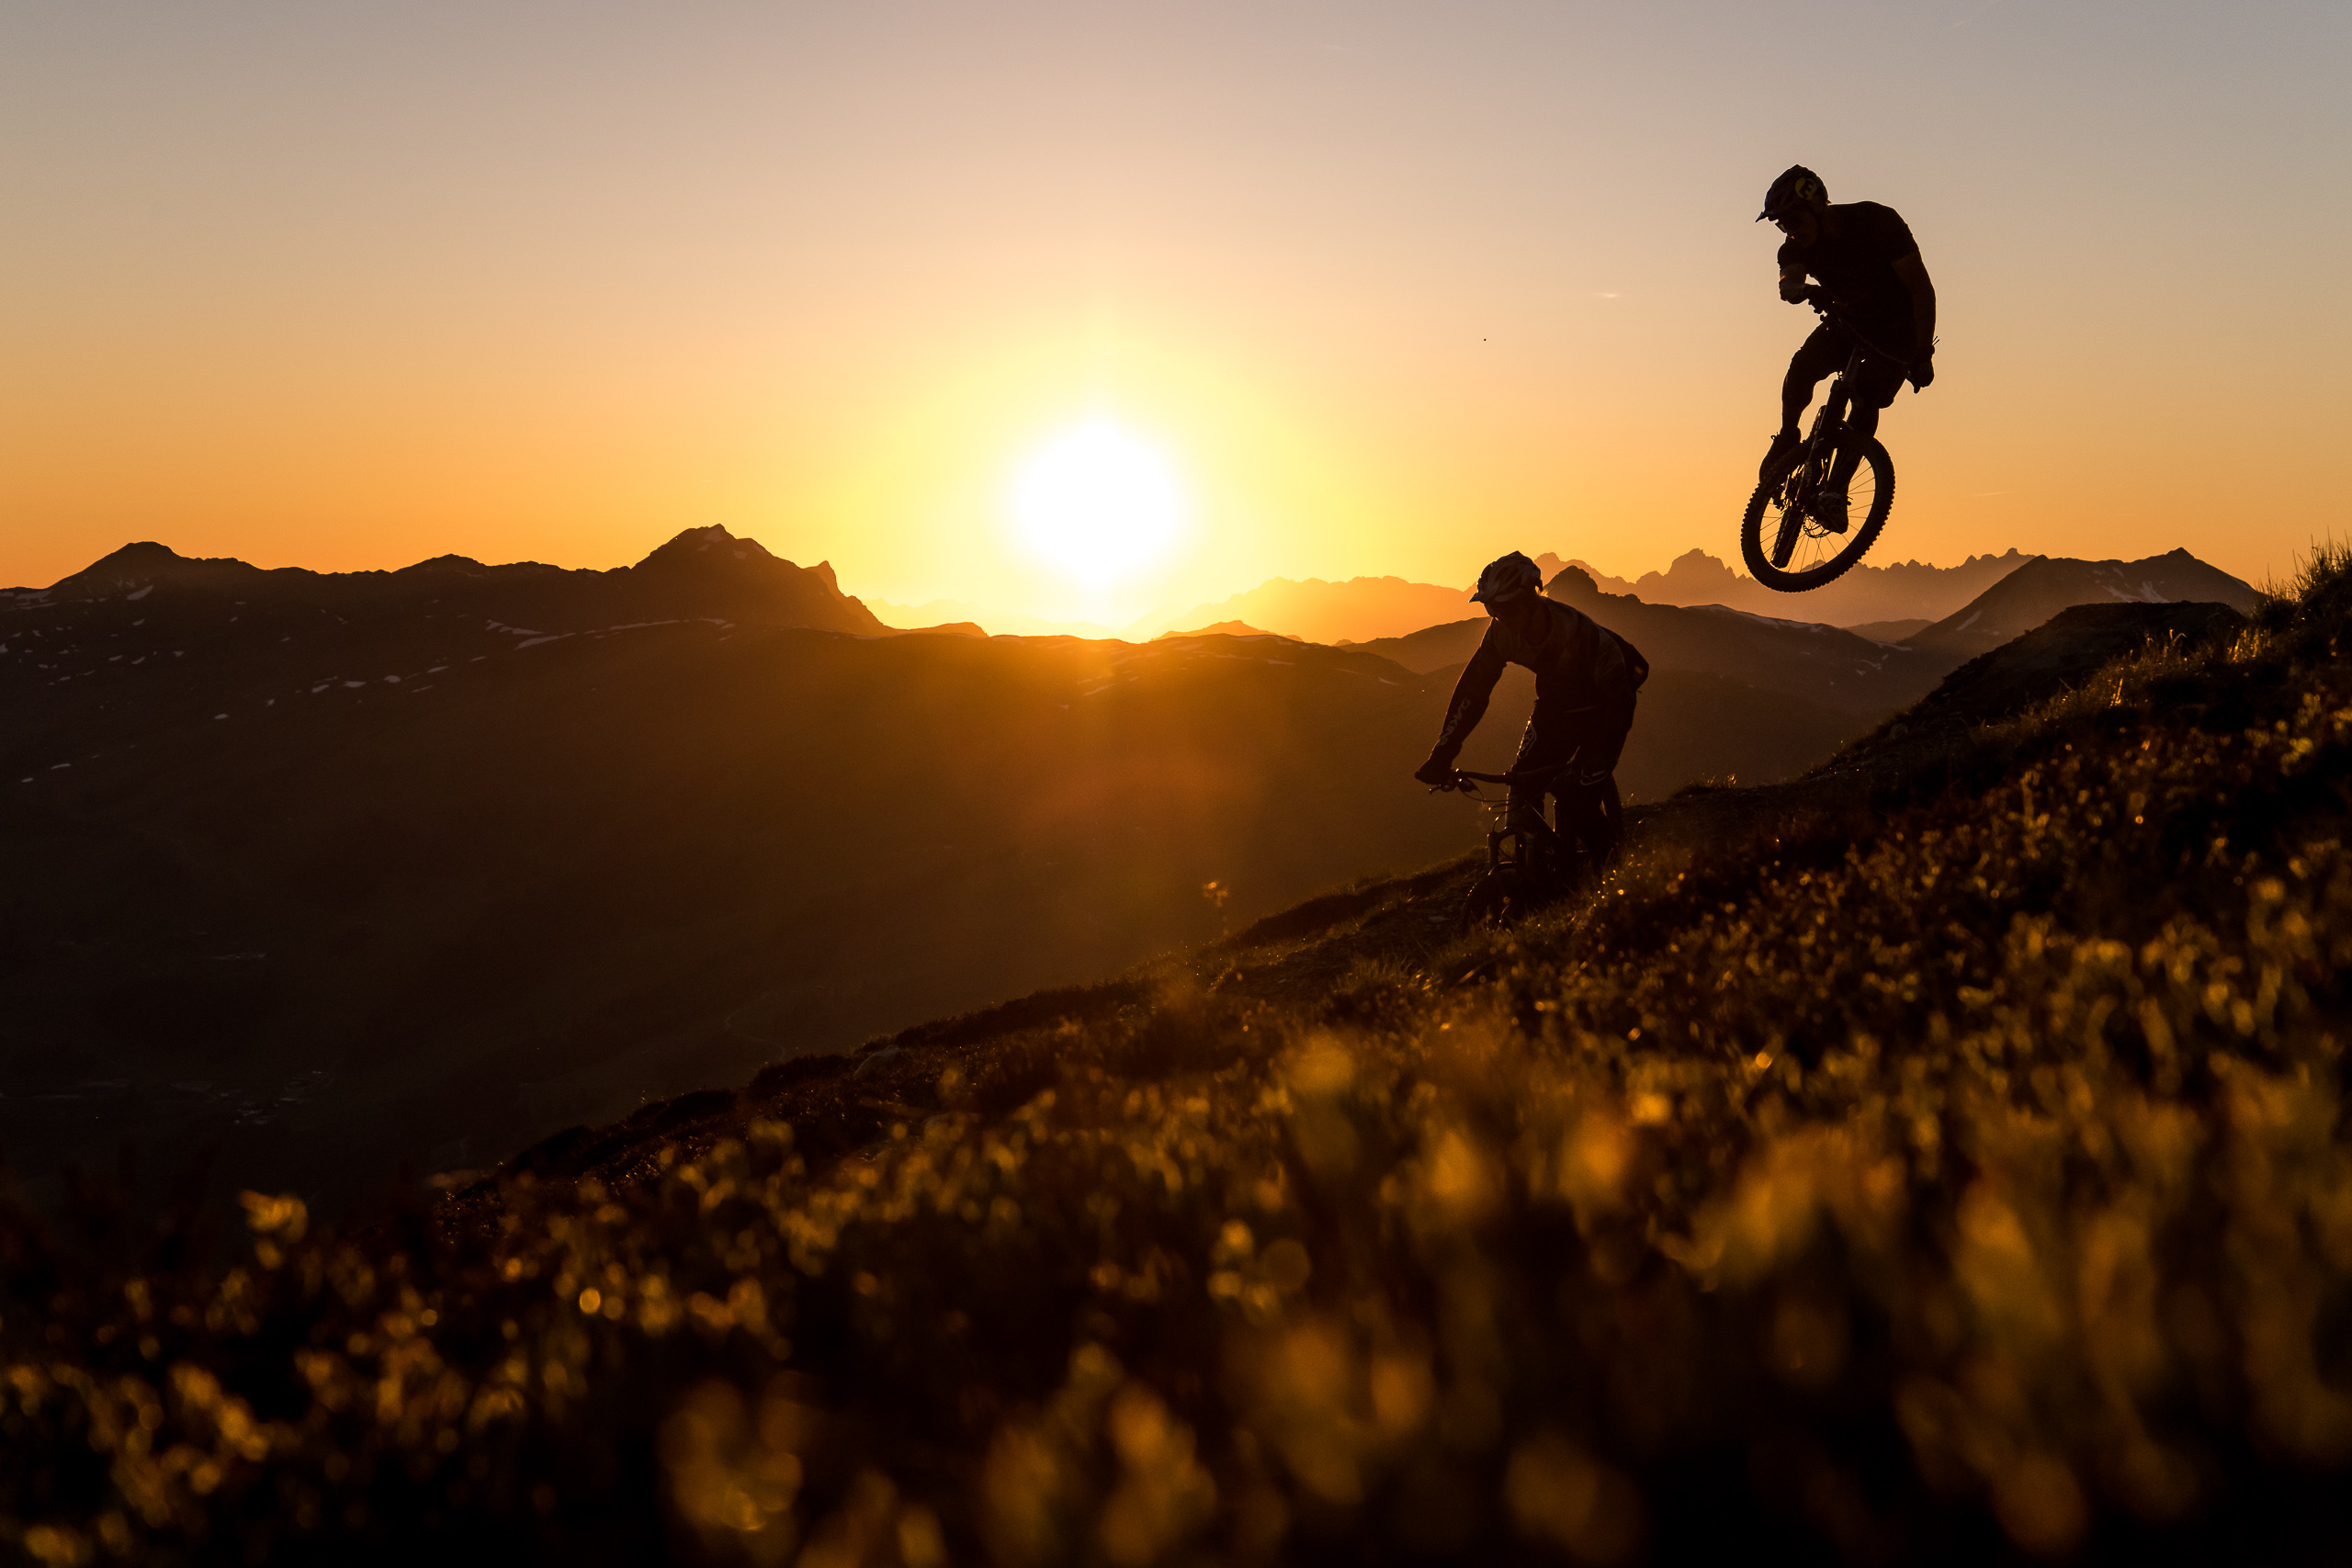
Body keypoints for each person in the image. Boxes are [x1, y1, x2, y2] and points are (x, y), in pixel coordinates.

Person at [1413, 552, 1645, 879]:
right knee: (1522, 787)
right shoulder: (1500, 634)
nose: (1500, 617)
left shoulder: (1579, 634)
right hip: (1553, 706)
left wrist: (1593, 758)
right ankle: (1536, 877)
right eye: (1492, 609)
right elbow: (1473, 692)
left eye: (1507, 607)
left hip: (1604, 707)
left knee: (1577, 800)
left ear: (1531, 600)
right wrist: (1443, 751)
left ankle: (1618, 877)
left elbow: (1619, 703)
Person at [1756, 165, 1938, 531]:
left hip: (1897, 331)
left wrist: (1922, 353)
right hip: (1847, 321)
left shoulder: (1877, 222)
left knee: (1867, 399)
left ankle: (1835, 493)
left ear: (1819, 205)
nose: (1790, 231)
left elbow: (1920, 288)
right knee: (1801, 371)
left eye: (1793, 220)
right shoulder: (1794, 248)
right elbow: (1788, 282)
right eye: (1782, 225)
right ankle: (1789, 436)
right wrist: (1804, 290)